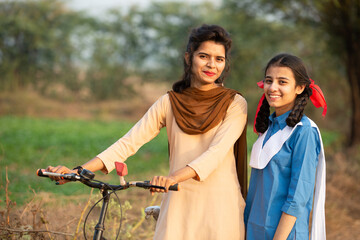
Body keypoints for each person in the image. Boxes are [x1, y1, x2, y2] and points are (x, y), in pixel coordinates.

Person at [46, 24, 248, 240]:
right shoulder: (169, 102)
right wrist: (78, 171)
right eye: (204, 56)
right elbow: (128, 143)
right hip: (178, 202)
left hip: (220, 206)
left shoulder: (235, 103)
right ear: (189, 58)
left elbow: (215, 154)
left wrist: (171, 179)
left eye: (219, 59)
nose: (212, 65)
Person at [244, 53, 327, 240]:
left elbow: (298, 198)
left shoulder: (303, 132)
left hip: (285, 235)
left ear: (299, 88)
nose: (273, 87)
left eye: (282, 82)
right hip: (255, 230)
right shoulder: (266, 128)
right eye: (268, 80)